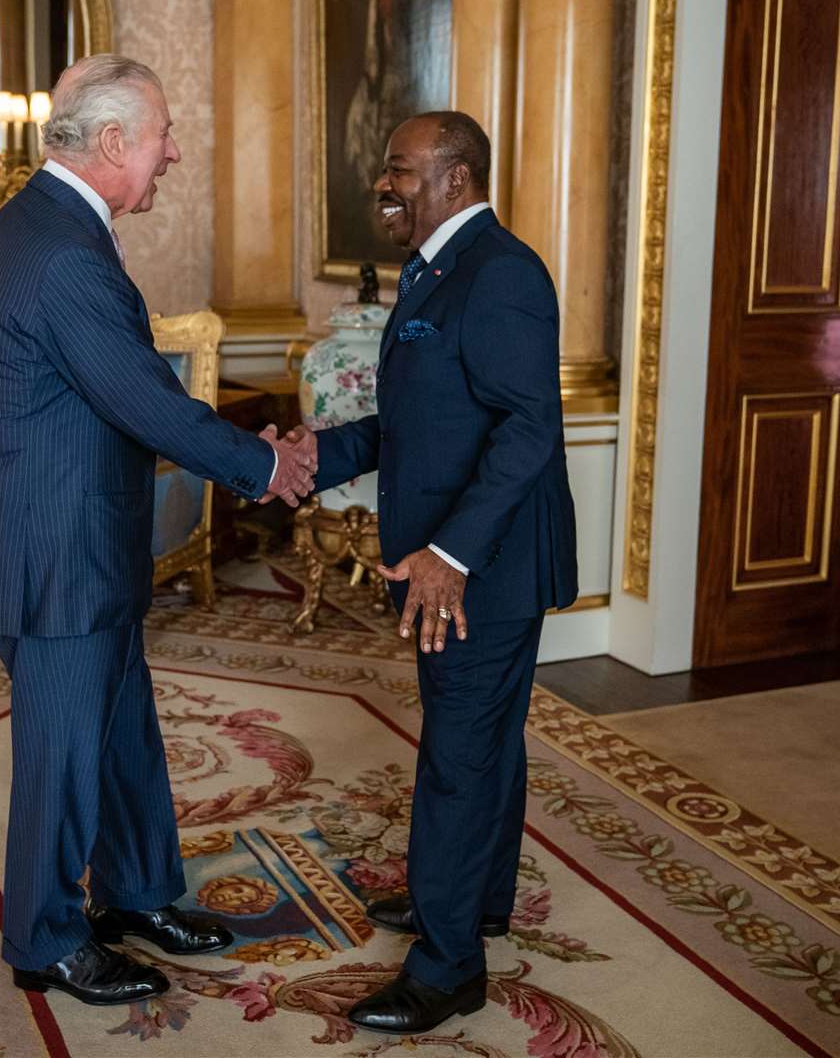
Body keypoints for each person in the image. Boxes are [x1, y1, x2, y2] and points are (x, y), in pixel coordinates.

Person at [0, 54, 318, 1007]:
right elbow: (143, 401)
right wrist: (267, 465)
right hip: (55, 557)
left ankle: (139, 893)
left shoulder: (46, 225)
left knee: (121, 733)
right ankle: (45, 940)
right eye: (164, 135)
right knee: (65, 752)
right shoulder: (63, 252)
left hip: (76, 544)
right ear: (114, 142)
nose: (176, 152)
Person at [298, 111, 578, 1035]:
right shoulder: (434, 272)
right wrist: (310, 454)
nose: (385, 186)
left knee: (459, 755)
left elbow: (529, 427)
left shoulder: (500, 276)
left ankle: (448, 964)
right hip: (449, 560)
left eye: (400, 172)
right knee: (485, 740)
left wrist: (451, 555)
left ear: (456, 179)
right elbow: (410, 427)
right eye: (386, 171)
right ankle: (474, 905)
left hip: (480, 568)